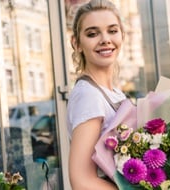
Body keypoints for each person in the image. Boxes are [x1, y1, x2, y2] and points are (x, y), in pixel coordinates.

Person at [67, 0, 126, 189]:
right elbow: (82, 181)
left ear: (122, 36)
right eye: (92, 34)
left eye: (112, 30)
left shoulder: (115, 93)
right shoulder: (88, 96)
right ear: (76, 43)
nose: (105, 39)